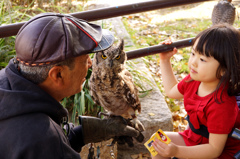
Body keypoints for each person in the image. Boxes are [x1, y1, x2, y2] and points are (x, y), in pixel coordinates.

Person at [0, 13, 143, 159]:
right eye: (85, 59)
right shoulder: (46, 142)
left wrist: (81, 133)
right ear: (58, 75)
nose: (90, 64)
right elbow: (48, 147)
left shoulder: (5, 83)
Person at [152, 23, 240, 159]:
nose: (193, 62)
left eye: (202, 59)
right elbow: (171, 91)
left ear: (224, 69)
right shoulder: (193, 81)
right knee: (156, 141)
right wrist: (164, 60)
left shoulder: (222, 105)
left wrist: (177, 151)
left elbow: (214, 150)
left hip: (215, 152)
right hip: (195, 138)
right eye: (193, 53)